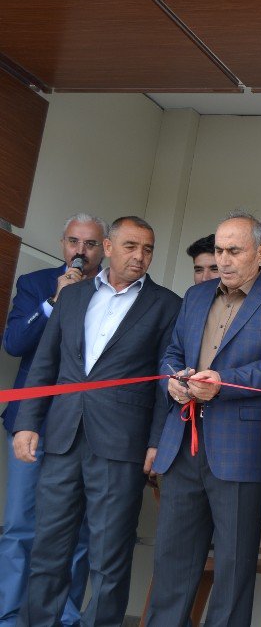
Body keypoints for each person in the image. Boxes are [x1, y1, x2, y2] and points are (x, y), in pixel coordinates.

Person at [11, 216, 181, 627]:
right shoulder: (72, 296)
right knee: (48, 549)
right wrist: (27, 423)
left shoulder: (167, 305)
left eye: (148, 249)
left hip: (122, 446)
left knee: (109, 556)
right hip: (64, 437)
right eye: (130, 246)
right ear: (107, 247)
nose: (139, 256)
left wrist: (156, 441)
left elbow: (165, 381)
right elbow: (46, 364)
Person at [147, 211, 261, 626]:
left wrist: (223, 382)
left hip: (240, 450)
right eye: (219, 250)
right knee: (172, 562)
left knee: (234, 568)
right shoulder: (196, 295)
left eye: (234, 250)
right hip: (182, 441)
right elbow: (171, 354)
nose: (223, 259)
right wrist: (174, 381)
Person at [0, 212, 106, 627]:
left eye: (91, 244)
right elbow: (15, 344)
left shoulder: (111, 293)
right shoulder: (36, 285)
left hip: (84, 428)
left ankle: (64, 618)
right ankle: (9, 617)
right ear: (63, 244)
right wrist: (53, 302)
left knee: (76, 533)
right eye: (74, 242)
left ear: (105, 249)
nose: (80, 251)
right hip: (33, 424)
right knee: (19, 526)